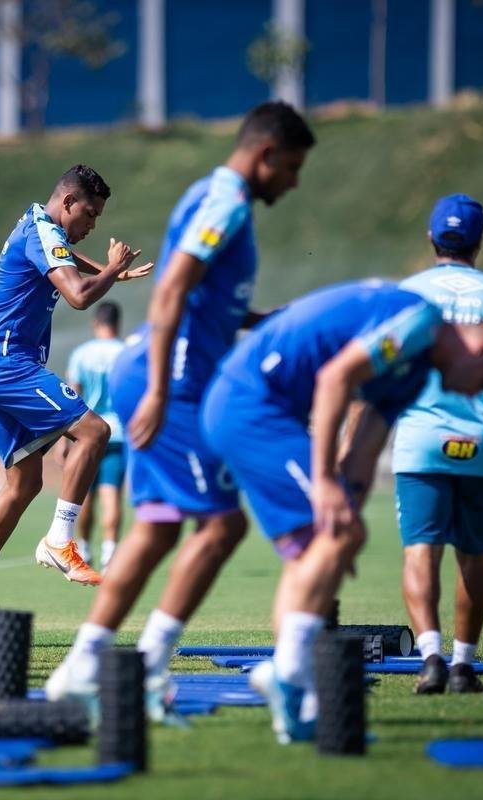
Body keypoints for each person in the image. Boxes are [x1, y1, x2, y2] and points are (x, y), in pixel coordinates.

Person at [46, 102, 314, 717]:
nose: (294, 183)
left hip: (159, 371)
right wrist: (165, 391)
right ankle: (142, 666)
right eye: (292, 168)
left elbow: (197, 293)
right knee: (224, 525)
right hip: (174, 379)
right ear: (266, 154)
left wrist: (262, 321)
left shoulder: (210, 195)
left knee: (162, 524)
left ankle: (82, 667)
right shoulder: (225, 203)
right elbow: (170, 287)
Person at [202, 280, 483, 743]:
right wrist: (325, 483)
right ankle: (288, 674)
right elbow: (335, 378)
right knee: (335, 537)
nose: (474, 396)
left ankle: (293, 707)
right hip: (251, 403)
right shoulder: (420, 323)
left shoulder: (415, 374)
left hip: (251, 408)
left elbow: (367, 445)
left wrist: (346, 502)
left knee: (318, 545)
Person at [0, 165, 151, 596]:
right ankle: (60, 540)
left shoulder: (37, 223)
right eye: (90, 214)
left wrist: (108, 270)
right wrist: (110, 271)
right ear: (69, 203)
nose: (93, 225)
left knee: (24, 484)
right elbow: (77, 297)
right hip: (6, 365)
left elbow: (61, 254)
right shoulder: (43, 232)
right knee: (96, 431)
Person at [390, 194, 483, 694]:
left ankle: (430, 657)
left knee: (420, 552)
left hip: (420, 442)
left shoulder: (407, 293)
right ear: (480, 241)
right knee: (475, 557)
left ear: (431, 237)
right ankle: (463, 665)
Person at [61, 301, 127, 571]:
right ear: (118, 323)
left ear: (95, 323)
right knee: (112, 493)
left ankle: (85, 549)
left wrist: (64, 441)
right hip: (119, 434)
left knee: (85, 494)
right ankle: (110, 552)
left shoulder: (81, 354)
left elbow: (72, 398)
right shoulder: (126, 353)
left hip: (86, 432)